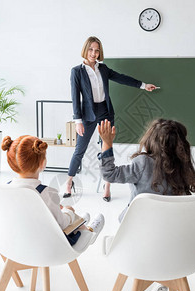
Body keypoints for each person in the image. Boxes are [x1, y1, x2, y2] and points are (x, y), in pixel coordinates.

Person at [98, 118, 195, 291]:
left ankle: (157, 282)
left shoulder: (143, 163)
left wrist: (107, 143)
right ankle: (164, 281)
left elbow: (110, 174)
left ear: (150, 140)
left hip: (137, 242)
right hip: (173, 244)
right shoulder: (183, 169)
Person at [65, 36, 157, 202]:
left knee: (106, 147)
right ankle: (69, 182)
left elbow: (122, 78)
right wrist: (77, 120)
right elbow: (74, 97)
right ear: (85, 50)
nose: (93, 53)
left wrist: (143, 85)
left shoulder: (104, 69)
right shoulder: (76, 71)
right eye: (91, 49)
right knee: (80, 149)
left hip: (105, 112)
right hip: (87, 114)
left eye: (97, 50)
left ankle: (107, 185)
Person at [1, 135, 105, 246]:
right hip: (48, 246)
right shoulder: (47, 193)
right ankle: (89, 233)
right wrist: (69, 211)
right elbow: (62, 224)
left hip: (19, 242)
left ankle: (80, 222)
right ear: (42, 164)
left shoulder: (6, 189)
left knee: (64, 214)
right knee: (69, 214)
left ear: (11, 163)